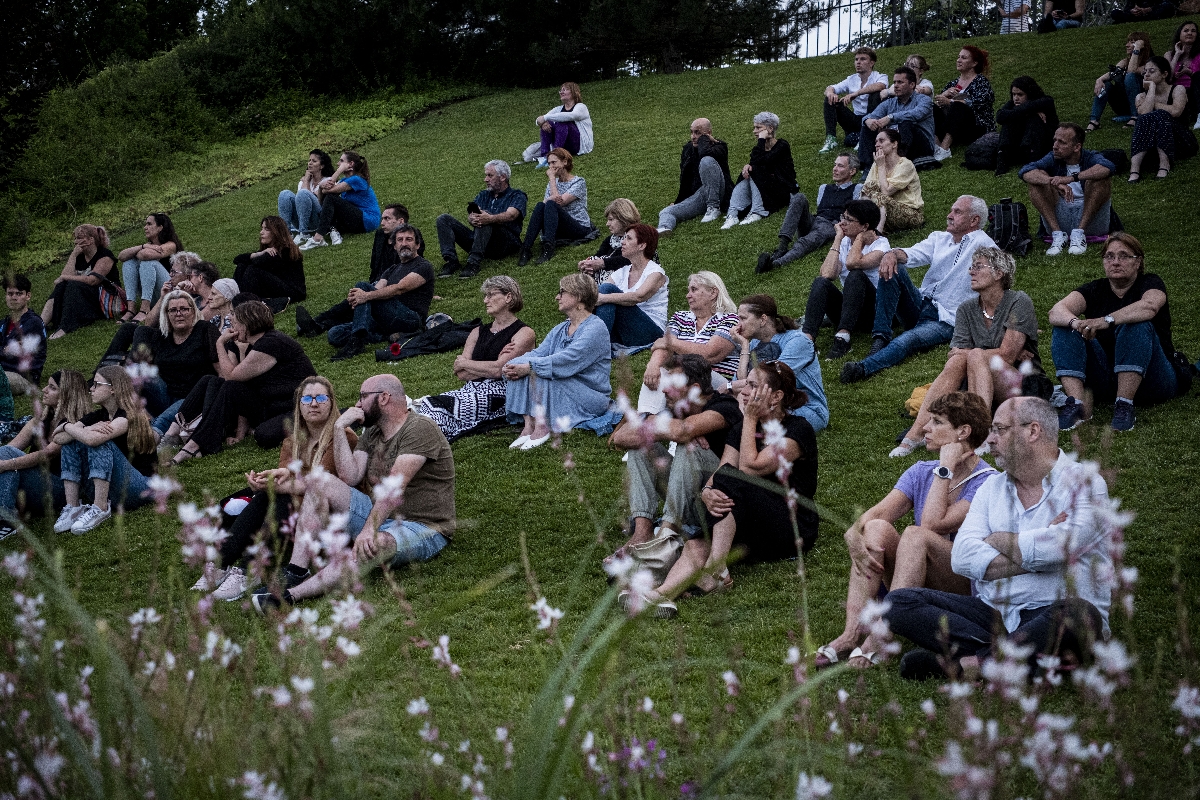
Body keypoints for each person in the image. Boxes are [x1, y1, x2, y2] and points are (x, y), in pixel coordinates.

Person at [885, 396, 1113, 682]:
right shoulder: (991, 488)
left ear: (1033, 431)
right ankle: (1014, 659)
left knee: (1079, 614)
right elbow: (963, 557)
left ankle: (972, 664)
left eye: (1000, 430)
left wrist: (998, 539)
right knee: (898, 602)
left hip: (1057, 609)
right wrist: (1041, 554)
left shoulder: (1085, 483)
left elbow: (1064, 546)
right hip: (994, 615)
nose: (989, 439)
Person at [816, 392, 996, 668]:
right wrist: (853, 534)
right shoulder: (920, 471)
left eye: (936, 422)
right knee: (876, 528)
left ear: (963, 432)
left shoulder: (987, 483)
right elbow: (875, 515)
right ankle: (851, 633)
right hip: (916, 577)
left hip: (961, 588)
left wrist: (946, 468)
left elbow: (932, 525)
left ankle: (881, 636)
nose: (925, 427)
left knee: (916, 535)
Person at [251, 374, 455, 613]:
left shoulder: (419, 428)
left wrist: (369, 530)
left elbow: (393, 489)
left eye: (362, 397)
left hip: (422, 526)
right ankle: (297, 571)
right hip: (380, 515)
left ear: (384, 398)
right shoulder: (373, 433)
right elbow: (350, 477)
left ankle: (289, 596)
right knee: (321, 481)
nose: (357, 405)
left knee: (375, 545)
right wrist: (338, 428)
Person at [630, 362, 818, 619]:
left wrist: (750, 417)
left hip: (791, 523)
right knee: (698, 539)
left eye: (753, 386)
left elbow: (750, 467)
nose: (744, 390)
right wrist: (707, 491)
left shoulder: (797, 430)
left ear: (776, 396)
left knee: (730, 481)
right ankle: (661, 595)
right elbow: (722, 470)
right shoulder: (744, 429)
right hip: (751, 519)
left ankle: (717, 571)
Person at [190, 376, 361, 602]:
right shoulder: (293, 441)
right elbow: (287, 480)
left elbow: (323, 483)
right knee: (269, 495)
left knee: (277, 496)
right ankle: (228, 566)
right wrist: (267, 482)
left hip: (329, 515)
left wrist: (274, 485)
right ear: (298, 406)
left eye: (321, 397)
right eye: (306, 399)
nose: (314, 404)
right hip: (297, 512)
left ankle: (246, 570)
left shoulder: (344, 437)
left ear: (331, 402)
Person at [893, 247, 1041, 457]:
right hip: (978, 387)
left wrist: (973, 355)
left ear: (999, 273)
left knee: (973, 355)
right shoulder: (966, 309)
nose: (971, 272)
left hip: (1022, 386)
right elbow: (954, 354)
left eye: (978, 267)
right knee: (958, 362)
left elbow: (1007, 355)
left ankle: (979, 433)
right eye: (972, 267)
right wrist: (971, 356)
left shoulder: (1018, 301)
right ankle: (915, 433)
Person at [841, 196, 997, 385]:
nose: (949, 215)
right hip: (921, 303)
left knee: (906, 341)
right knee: (893, 266)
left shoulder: (985, 245)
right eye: (951, 210)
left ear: (974, 221)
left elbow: (1000, 286)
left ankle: (862, 368)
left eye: (957, 212)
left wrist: (1008, 322)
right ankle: (880, 338)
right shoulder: (940, 238)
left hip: (946, 319)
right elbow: (912, 253)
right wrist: (891, 254)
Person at [609, 353, 743, 558]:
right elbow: (620, 437)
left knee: (689, 448)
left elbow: (683, 431)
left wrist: (679, 432)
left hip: (719, 508)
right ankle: (642, 533)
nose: (663, 389)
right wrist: (675, 429)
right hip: (690, 501)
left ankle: (666, 534)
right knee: (642, 447)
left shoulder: (725, 407)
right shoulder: (677, 411)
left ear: (695, 389)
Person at [1048, 233, 1184, 433]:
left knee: (1135, 324)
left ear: (1138, 262)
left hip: (1154, 378)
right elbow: (1055, 311)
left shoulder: (1151, 283)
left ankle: (1124, 404)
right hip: (1106, 377)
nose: (1116, 262)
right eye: (1109, 256)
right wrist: (1077, 323)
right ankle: (1076, 404)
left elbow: (1149, 307)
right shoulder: (1095, 289)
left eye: (1124, 256)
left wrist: (1106, 321)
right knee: (1064, 325)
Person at [167, 301, 316, 461]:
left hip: (296, 408)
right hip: (272, 406)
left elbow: (231, 375)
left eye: (235, 323)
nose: (233, 328)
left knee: (264, 435)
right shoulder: (257, 345)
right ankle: (187, 441)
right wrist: (240, 434)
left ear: (247, 324)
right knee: (211, 381)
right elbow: (237, 386)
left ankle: (196, 443)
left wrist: (219, 343)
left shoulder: (272, 343)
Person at [415, 276, 535, 441]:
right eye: (485, 296)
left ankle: (424, 438)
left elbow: (500, 371)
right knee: (427, 404)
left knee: (436, 406)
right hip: (469, 389)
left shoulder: (524, 333)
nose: (486, 300)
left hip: (502, 392)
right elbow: (461, 373)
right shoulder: (477, 332)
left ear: (508, 297)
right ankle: (421, 436)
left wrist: (467, 363)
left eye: (491, 295)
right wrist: (489, 366)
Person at [293, 224, 435, 361]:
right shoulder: (392, 269)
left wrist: (365, 295)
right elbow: (377, 290)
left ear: (417, 244)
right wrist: (356, 297)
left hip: (410, 318)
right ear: (395, 245)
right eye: (400, 240)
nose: (404, 243)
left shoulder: (423, 266)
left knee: (363, 287)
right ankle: (388, 336)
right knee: (335, 334)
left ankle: (356, 342)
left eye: (409, 239)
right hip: (385, 320)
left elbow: (400, 288)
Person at [504, 273, 611, 451]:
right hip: (566, 383)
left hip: (590, 394)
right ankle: (529, 425)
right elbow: (539, 353)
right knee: (521, 366)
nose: (557, 296)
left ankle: (542, 426)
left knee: (540, 371)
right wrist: (514, 363)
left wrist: (530, 366)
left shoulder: (596, 328)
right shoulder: (560, 328)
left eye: (562, 292)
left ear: (578, 296)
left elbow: (568, 360)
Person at [51, 366, 157, 535]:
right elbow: (58, 439)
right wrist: (71, 426)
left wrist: (68, 427)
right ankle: (73, 507)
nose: (91, 389)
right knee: (73, 441)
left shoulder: (128, 415)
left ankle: (100, 508)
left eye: (96, 384)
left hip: (140, 488)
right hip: (114, 490)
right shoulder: (97, 417)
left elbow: (93, 440)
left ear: (113, 388)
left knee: (98, 442)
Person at [0, 371, 92, 536]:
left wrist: (5, 464)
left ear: (67, 394)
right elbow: (10, 449)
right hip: (34, 488)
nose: (44, 390)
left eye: (52, 387)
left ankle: (8, 520)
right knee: (6, 454)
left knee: (8, 459)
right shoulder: (38, 422)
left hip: (61, 492)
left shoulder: (77, 426)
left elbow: (49, 454)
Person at [637, 271, 740, 414]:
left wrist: (670, 342)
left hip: (716, 381)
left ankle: (650, 421)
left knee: (680, 373)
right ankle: (646, 417)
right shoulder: (680, 317)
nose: (688, 295)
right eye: (688, 290)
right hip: (684, 377)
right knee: (661, 372)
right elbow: (663, 348)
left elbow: (710, 354)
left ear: (713, 293)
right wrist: (653, 365)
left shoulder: (730, 319)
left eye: (694, 289)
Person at [801, 199, 890, 361]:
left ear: (865, 226)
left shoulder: (881, 245)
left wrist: (860, 239)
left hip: (874, 312)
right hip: (849, 309)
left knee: (856, 274)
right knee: (821, 283)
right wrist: (837, 239)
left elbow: (852, 263)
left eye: (849, 219)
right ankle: (807, 340)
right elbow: (827, 274)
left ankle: (843, 337)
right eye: (843, 217)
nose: (843, 223)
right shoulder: (844, 242)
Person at [730, 295, 829, 432]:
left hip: (804, 409)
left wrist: (728, 386)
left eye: (743, 318)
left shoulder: (798, 341)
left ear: (763, 319)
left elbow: (771, 382)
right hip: (764, 405)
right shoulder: (753, 344)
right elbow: (742, 384)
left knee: (735, 419)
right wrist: (745, 347)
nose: (738, 325)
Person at [125, 289, 220, 433]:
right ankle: (138, 417)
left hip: (193, 397)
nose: (179, 314)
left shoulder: (205, 330)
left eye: (184, 309)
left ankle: (153, 432)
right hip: (164, 395)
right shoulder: (161, 337)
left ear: (193, 311)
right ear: (167, 315)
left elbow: (220, 370)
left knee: (166, 418)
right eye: (173, 310)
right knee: (140, 372)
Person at [756, 152, 862, 273]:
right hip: (815, 220)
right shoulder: (824, 188)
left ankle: (775, 264)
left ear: (852, 171)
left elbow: (854, 213)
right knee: (799, 197)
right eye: (835, 165)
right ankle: (782, 247)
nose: (835, 169)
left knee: (805, 242)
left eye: (840, 166)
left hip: (831, 225)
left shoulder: (857, 189)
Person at [1018, 123, 1114, 256]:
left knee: (1100, 179)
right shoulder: (1052, 157)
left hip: (1090, 219)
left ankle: (1079, 234)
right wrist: (1053, 182)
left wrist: (1071, 178)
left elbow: (1108, 167)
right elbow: (1025, 171)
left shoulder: (1090, 157)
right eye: (1055, 140)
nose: (1055, 146)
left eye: (1061, 142)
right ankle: (1058, 235)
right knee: (1037, 180)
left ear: (1077, 147)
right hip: (1061, 217)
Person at [436, 160, 528, 279]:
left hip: (505, 244)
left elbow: (511, 215)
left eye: (490, 175)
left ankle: (473, 262)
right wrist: (472, 218)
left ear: (503, 177)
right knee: (443, 219)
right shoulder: (484, 194)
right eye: (486, 175)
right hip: (480, 240)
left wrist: (489, 218)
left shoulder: (517, 195)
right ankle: (451, 261)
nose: (486, 179)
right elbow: (474, 213)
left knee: (486, 216)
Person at [594, 224, 668, 349]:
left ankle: (595, 346)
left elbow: (638, 297)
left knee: (607, 291)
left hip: (649, 331)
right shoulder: (621, 272)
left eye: (628, 238)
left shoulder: (656, 273)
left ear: (642, 245)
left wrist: (602, 298)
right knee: (605, 293)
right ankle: (592, 341)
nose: (622, 242)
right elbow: (597, 294)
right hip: (625, 330)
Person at [656, 119, 734, 233]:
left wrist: (704, 140)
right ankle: (664, 227)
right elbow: (686, 178)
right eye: (691, 132)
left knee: (706, 161)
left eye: (698, 133)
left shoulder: (719, 146)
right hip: (701, 195)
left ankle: (713, 208)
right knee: (666, 211)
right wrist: (680, 201)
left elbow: (704, 154)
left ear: (709, 133)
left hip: (721, 192)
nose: (693, 136)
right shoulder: (688, 149)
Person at [721, 112, 798, 228]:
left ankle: (758, 211)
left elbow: (763, 161)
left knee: (755, 169)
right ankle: (732, 214)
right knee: (747, 172)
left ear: (770, 128)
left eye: (758, 128)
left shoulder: (782, 145)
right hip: (766, 189)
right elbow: (756, 161)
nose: (754, 131)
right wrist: (748, 166)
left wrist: (761, 140)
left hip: (783, 189)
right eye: (754, 127)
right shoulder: (758, 149)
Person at [519, 148, 594, 266]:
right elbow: (545, 203)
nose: (551, 167)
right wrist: (552, 188)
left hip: (578, 227)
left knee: (551, 203)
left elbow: (560, 202)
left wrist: (552, 179)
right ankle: (526, 249)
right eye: (549, 163)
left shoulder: (578, 182)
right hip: (559, 225)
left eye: (554, 162)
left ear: (565, 162)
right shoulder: (552, 183)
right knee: (540, 205)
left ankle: (548, 248)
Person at [1130, 55, 1198, 180]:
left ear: (1164, 74)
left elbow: (1176, 111)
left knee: (1160, 114)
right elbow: (1143, 115)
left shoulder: (1178, 89)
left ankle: (1164, 165)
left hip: (1182, 141)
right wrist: (1151, 88)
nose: (1146, 74)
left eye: (1152, 71)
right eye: (1145, 71)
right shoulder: (1140, 96)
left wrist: (1153, 104)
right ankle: (1134, 170)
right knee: (1146, 118)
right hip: (1153, 146)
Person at [43, 224, 116, 339]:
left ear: (91, 240)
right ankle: (41, 324)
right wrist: (73, 255)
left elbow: (93, 280)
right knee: (62, 286)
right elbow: (65, 276)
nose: (75, 242)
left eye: (79, 238)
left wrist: (65, 278)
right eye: (75, 238)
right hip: (87, 297)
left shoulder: (105, 255)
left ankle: (65, 327)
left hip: (105, 298)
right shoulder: (80, 257)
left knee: (72, 285)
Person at [858, 66, 936, 172]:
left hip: (921, 145)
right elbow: (870, 116)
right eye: (894, 82)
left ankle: (899, 163)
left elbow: (917, 114)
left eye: (900, 82)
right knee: (869, 125)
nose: (895, 86)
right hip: (894, 142)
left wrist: (891, 117)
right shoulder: (889, 103)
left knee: (906, 123)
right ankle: (867, 167)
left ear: (912, 85)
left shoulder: (924, 100)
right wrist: (868, 120)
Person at [300, 151, 380, 251]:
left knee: (331, 197)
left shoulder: (356, 179)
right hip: (355, 219)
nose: (338, 164)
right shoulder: (343, 181)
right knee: (329, 199)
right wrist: (320, 188)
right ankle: (333, 232)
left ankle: (318, 238)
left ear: (350, 164)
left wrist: (339, 170)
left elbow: (329, 189)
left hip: (368, 220)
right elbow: (323, 200)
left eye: (341, 161)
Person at [932, 45, 996, 161]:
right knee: (930, 107)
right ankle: (936, 145)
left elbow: (981, 102)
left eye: (963, 58)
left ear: (974, 63)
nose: (959, 60)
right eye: (958, 57)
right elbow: (939, 105)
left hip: (976, 127)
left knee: (958, 106)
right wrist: (943, 95)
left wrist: (951, 101)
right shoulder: (953, 83)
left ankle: (944, 149)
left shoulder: (981, 81)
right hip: (953, 126)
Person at [820, 48, 888, 153]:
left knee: (875, 94)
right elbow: (831, 87)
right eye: (856, 59)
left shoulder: (880, 76)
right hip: (856, 120)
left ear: (871, 63)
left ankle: (864, 136)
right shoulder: (851, 79)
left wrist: (855, 93)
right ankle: (831, 138)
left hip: (872, 119)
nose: (858, 62)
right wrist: (830, 93)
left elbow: (880, 86)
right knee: (830, 99)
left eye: (863, 59)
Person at [117, 213, 181, 323]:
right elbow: (121, 256)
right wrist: (143, 246)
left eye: (149, 224)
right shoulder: (148, 246)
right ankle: (131, 309)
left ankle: (144, 310)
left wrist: (141, 251)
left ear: (160, 227)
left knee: (148, 262)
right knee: (128, 262)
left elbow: (144, 255)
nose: (145, 227)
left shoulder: (171, 245)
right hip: (154, 294)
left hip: (168, 293)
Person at [233, 216, 307, 311]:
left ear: (276, 232)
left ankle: (244, 303)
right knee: (242, 266)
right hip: (276, 286)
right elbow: (237, 260)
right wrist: (258, 253)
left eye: (266, 229)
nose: (261, 232)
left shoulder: (285, 251)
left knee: (253, 270)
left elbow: (256, 263)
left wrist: (258, 255)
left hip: (294, 292)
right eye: (262, 228)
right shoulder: (268, 251)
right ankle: (238, 299)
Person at [1087, 32, 1155, 131]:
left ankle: (1135, 117)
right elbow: (1113, 73)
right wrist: (1099, 80)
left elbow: (1132, 70)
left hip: (1142, 104)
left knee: (1130, 77)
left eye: (1132, 42)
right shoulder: (1125, 61)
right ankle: (1094, 121)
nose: (1127, 45)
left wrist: (1136, 49)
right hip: (1123, 105)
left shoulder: (1150, 64)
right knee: (1105, 84)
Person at [861, 129, 924, 232]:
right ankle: (864, 225)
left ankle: (878, 233)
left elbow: (886, 192)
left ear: (894, 144)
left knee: (879, 195)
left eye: (881, 141)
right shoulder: (876, 164)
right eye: (876, 142)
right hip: (885, 210)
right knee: (869, 187)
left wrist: (881, 166)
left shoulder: (905, 165)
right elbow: (866, 189)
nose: (877, 144)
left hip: (911, 213)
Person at [995, 76, 1059, 175]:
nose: (1016, 98)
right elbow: (1000, 117)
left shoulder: (1046, 101)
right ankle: (1002, 160)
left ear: (1029, 93)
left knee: (1034, 119)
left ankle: (1031, 161)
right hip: (1020, 144)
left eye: (1020, 94)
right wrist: (1030, 111)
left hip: (1042, 145)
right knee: (1008, 121)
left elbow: (1029, 107)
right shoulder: (1013, 103)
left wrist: (1027, 111)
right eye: (1014, 94)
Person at [0, 275, 47, 394]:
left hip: (23, 378)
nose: (14, 297)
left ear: (28, 296)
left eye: (19, 293)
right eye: (10, 294)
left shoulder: (33, 323)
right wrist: (4, 350)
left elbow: (16, 355)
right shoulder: (4, 323)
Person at [577, 199, 643, 284]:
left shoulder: (640, 239)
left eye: (611, 219)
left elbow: (628, 259)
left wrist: (602, 263)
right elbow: (598, 256)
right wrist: (587, 264)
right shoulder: (610, 240)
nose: (607, 224)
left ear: (624, 218)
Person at [277, 149, 334, 245]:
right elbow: (300, 200)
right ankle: (286, 234)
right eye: (309, 160)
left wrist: (306, 181)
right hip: (301, 218)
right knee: (284, 194)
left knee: (303, 193)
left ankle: (304, 233)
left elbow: (312, 198)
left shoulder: (328, 181)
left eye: (314, 161)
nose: (310, 163)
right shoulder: (304, 181)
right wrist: (307, 180)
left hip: (318, 219)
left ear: (322, 166)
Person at [534, 82, 594, 166]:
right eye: (561, 90)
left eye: (565, 90)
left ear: (574, 92)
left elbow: (572, 116)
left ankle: (555, 155)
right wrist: (542, 123)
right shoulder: (558, 109)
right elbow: (539, 120)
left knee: (562, 124)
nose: (561, 92)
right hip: (564, 145)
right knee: (547, 124)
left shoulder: (581, 107)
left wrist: (545, 118)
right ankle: (545, 156)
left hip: (578, 145)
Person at [368, 204, 415, 282]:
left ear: (401, 221)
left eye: (387, 218)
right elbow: (374, 264)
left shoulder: (412, 238)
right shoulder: (380, 235)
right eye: (382, 219)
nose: (382, 223)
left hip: (397, 284)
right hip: (377, 283)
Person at [1166, 21, 1200, 123]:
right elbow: (1168, 78)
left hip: (1195, 91)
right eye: (1186, 30)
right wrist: (1177, 55)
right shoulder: (1169, 55)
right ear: (1179, 34)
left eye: (1193, 31)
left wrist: (1189, 72)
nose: (1190, 33)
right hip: (1176, 93)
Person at [1113, 0, 1178, 23]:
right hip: (1136, 15)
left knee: (1168, 7)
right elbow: (1127, 9)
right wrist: (1132, 11)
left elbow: (1167, 4)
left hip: (1151, 13)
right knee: (1115, 13)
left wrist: (1147, 9)